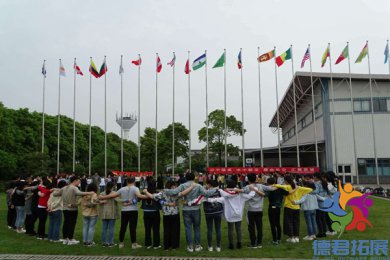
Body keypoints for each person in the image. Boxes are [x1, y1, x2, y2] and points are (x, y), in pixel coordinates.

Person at [99, 176, 148, 249]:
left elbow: (112, 195)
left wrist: (102, 197)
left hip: (124, 210)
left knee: (123, 227)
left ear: (127, 181)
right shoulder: (135, 188)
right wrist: (149, 196)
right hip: (133, 210)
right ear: (134, 181)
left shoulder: (122, 189)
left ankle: (121, 243)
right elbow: (139, 196)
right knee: (132, 227)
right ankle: (134, 244)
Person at [206, 179, 256, 250]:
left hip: (229, 214)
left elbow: (218, 198)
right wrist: (254, 189)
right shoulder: (240, 194)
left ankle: (231, 244)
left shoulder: (225, 194)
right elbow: (250, 196)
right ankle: (239, 244)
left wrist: (208, 199)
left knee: (230, 229)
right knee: (238, 229)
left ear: (228, 186)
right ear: (235, 185)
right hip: (238, 214)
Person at [164, 171, 207, 252]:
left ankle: (190, 246)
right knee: (197, 227)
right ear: (194, 178)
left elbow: (173, 192)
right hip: (196, 209)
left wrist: (165, 190)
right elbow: (206, 193)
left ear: (186, 178)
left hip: (186, 209)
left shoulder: (183, 185)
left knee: (188, 228)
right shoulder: (198, 185)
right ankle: (197, 246)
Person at [56, 175, 95, 245]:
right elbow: (79, 193)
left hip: (65, 208)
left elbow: (56, 194)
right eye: (78, 181)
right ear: (75, 181)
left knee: (66, 223)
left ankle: (65, 239)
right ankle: (70, 239)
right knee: (71, 223)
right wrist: (90, 192)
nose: (79, 183)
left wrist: (56, 190)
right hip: (72, 209)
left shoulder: (64, 188)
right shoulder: (74, 188)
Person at [274, 174, 313, 243]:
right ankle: (296, 237)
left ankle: (291, 237)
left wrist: (273, 185)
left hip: (289, 207)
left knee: (288, 222)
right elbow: (310, 189)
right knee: (296, 222)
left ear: (286, 181)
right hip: (297, 207)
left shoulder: (287, 187)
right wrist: (298, 189)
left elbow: (277, 185)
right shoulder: (299, 188)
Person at [144, 180, 181, 251]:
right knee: (174, 230)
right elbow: (183, 193)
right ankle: (174, 246)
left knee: (167, 230)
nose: (176, 187)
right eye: (175, 185)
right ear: (172, 186)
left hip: (166, 214)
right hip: (175, 213)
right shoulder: (176, 192)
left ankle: (167, 246)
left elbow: (153, 196)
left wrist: (146, 192)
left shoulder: (163, 192)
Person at [264, 177, 288, 245]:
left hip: (272, 207)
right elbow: (287, 193)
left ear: (268, 183)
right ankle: (279, 238)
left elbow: (264, 195)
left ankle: (275, 240)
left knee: (273, 224)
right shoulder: (279, 188)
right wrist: (295, 188)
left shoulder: (269, 189)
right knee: (277, 223)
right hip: (278, 208)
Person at [203, 179, 223, 252]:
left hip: (208, 213)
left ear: (210, 185)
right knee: (218, 229)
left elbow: (202, 199)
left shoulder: (205, 192)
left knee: (210, 229)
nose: (206, 185)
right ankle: (218, 246)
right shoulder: (219, 191)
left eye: (207, 184)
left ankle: (210, 246)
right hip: (218, 212)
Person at [141, 179, 161, 249]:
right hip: (155, 212)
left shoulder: (144, 192)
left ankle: (148, 244)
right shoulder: (157, 193)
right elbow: (160, 201)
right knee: (156, 229)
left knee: (147, 229)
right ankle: (156, 244)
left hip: (146, 212)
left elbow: (138, 198)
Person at [99, 181, 119, 247]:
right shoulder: (115, 193)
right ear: (113, 186)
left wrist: (102, 200)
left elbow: (96, 200)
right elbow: (119, 200)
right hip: (112, 213)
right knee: (111, 228)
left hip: (104, 213)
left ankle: (104, 242)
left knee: (104, 228)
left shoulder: (102, 193)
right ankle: (111, 242)